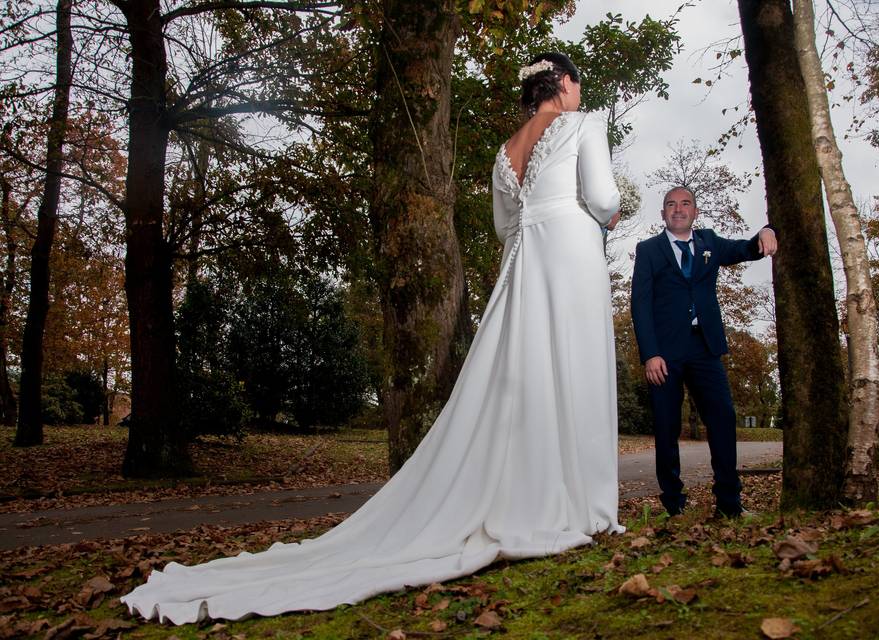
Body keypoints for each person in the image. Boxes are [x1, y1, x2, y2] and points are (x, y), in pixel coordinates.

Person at [121, 52, 623, 625]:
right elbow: (604, 198)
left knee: (525, 379)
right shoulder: (585, 125)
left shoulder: (503, 153)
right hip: (570, 252)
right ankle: (580, 505)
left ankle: (535, 498)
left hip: (525, 261)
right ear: (561, 84)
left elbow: (505, 226)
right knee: (575, 369)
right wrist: (603, 219)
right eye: (577, 82)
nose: (581, 92)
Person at [630, 186, 776, 518]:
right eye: (671, 204)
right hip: (664, 354)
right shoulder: (649, 250)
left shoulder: (709, 242)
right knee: (666, 429)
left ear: (695, 211)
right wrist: (650, 353)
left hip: (704, 347)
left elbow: (745, 249)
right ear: (662, 213)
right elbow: (639, 303)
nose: (678, 209)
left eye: (685, 204)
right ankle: (674, 505)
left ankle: (729, 503)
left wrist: (768, 231)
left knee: (723, 417)